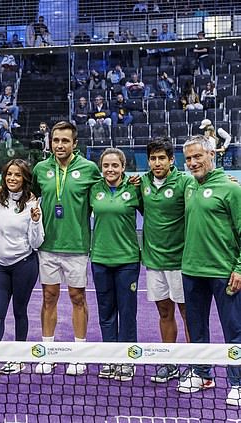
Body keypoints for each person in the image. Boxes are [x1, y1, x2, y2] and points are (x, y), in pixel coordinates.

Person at [29, 121, 102, 375]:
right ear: (50, 142)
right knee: (49, 297)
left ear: (75, 143)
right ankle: (47, 353)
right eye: (56, 140)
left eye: (65, 141)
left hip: (77, 246)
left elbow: (105, 193)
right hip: (47, 247)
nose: (60, 145)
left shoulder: (90, 169)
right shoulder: (40, 169)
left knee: (77, 298)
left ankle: (78, 355)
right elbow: (26, 194)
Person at [177, 135, 241, 406]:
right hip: (191, 270)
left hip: (223, 271)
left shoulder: (231, 188)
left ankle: (237, 382)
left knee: (234, 329)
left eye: (197, 157)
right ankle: (203, 374)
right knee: (197, 327)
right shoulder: (188, 185)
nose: (192, 163)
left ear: (211, 154)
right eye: (188, 158)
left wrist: (239, 267)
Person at [0, 159, 44, 380]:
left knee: (19, 311)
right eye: (9, 174)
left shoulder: (33, 204)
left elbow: (37, 243)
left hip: (24, 264)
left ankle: (17, 357)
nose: (12, 178)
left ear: (25, 178)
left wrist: (35, 221)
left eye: (18, 175)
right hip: (0, 266)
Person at [140, 137, 191, 383]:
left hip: (180, 261)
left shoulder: (184, 182)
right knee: (164, 312)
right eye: (153, 158)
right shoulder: (142, 183)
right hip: (154, 261)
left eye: (162, 158)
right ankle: (170, 362)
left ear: (172, 160)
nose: (157, 162)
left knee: (187, 313)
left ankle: (195, 364)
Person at [90, 148, 142, 382]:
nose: (110, 170)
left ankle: (127, 360)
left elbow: (155, 211)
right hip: (100, 259)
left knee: (127, 312)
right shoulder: (93, 188)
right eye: (106, 166)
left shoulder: (135, 188)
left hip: (128, 261)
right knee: (106, 312)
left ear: (123, 167)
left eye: (115, 165)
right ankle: (111, 358)